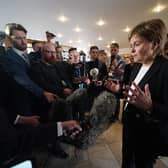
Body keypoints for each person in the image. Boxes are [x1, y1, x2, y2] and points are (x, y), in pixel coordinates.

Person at [105, 18, 168, 168]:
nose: (132, 50)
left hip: (148, 135)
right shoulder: (135, 68)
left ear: (154, 43)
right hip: (129, 128)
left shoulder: (165, 69)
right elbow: (130, 95)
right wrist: (119, 90)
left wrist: (150, 106)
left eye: (137, 44)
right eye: (131, 45)